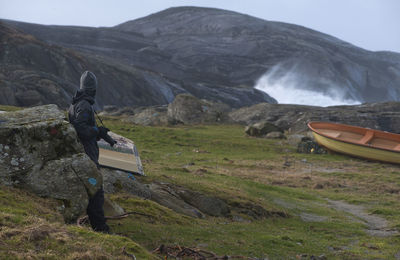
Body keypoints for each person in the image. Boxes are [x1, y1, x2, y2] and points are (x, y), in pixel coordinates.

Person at [68, 71, 109, 233]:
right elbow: (81, 129)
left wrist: (97, 132)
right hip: (87, 155)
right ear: (93, 89)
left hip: (83, 152)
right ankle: (101, 228)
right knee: (96, 192)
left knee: (91, 191)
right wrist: (97, 131)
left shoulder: (76, 102)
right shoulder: (84, 105)